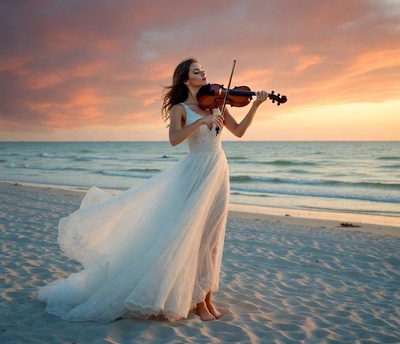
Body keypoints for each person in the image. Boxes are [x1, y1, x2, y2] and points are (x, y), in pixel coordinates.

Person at [38, 58, 268, 323]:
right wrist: (200, 123)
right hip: (195, 173)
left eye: (202, 69)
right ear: (185, 80)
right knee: (196, 237)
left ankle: (208, 298)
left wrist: (257, 105)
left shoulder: (217, 103)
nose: (203, 72)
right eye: (197, 71)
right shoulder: (182, 109)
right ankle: (197, 301)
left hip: (218, 170)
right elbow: (174, 140)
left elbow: (238, 131)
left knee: (214, 238)